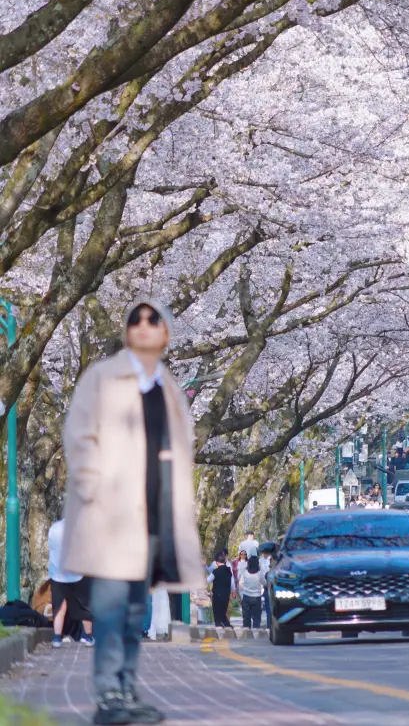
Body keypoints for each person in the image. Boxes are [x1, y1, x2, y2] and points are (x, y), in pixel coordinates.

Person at [62, 298, 203, 726]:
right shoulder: (102, 378)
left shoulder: (170, 387)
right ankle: (108, 696)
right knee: (109, 608)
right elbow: (78, 436)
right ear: (126, 331)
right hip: (111, 518)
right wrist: (95, 491)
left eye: (153, 319)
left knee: (134, 611)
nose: (143, 325)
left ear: (166, 333)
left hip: (154, 517)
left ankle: (125, 687)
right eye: (135, 319)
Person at [48, 519, 93, 647]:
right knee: (84, 606)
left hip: (57, 573)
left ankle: (57, 638)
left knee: (59, 607)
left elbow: (51, 547)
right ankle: (88, 636)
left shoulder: (54, 528)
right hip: (78, 573)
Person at [239, 555, 265, 629]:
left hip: (246, 596)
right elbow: (264, 583)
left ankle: (247, 632)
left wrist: (246, 589)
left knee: (246, 617)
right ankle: (256, 632)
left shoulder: (245, 572)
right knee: (256, 617)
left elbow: (240, 583)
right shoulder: (259, 573)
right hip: (256, 597)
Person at [209, 552, 234, 627]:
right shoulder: (229, 571)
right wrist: (234, 589)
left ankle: (220, 629)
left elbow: (208, 580)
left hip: (217, 595)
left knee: (217, 614)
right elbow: (232, 581)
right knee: (223, 613)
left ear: (216, 562)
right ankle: (228, 627)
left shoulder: (215, 572)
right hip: (226, 594)